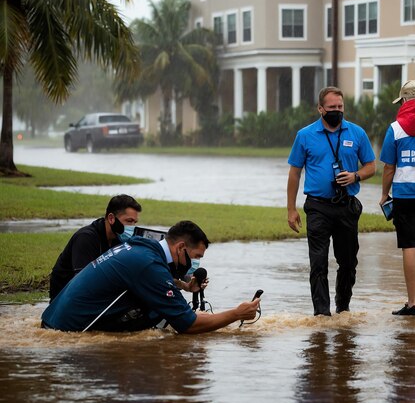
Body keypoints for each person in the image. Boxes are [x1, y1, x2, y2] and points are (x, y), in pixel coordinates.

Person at [41, 220, 261, 334]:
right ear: (181, 247)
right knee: (163, 315)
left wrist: (182, 285)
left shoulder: (139, 248)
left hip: (52, 319)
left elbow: (145, 279)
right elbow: (188, 325)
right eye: (196, 257)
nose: (196, 264)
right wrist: (235, 313)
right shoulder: (149, 265)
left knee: (159, 310)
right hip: (67, 331)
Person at [287, 86, 376, 316]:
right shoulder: (305, 135)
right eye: (331, 107)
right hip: (317, 206)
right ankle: (321, 315)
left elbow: (371, 166)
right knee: (318, 263)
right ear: (320, 109)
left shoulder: (356, 133)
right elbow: (294, 173)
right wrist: (291, 209)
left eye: (340, 107)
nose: (337, 111)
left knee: (348, 263)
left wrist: (355, 175)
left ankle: (343, 309)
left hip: (346, 206)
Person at [49, 194, 142, 301]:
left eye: (134, 222)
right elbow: (82, 282)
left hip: (92, 294)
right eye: (129, 221)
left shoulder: (119, 238)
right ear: (111, 218)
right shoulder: (85, 238)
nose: (132, 227)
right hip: (67, 300)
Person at [379, 79, 415, 315]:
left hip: (404, 194)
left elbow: (389, 168)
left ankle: (413, 303)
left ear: (404, 100)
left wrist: (384, 194)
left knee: (410, 246)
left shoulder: (396, 128)